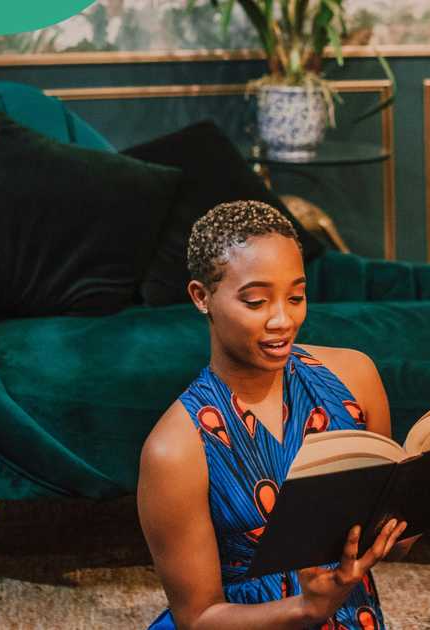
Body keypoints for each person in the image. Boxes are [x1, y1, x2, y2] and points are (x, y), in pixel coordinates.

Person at [138, 200, 411, 629]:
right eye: (256, 302)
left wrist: (415, 511)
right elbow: (198, 618)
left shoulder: (356, 380)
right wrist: (308, 609)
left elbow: (390, 543)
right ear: (201, 297)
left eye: (297, 296)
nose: (283, 319)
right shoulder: (174, 450)